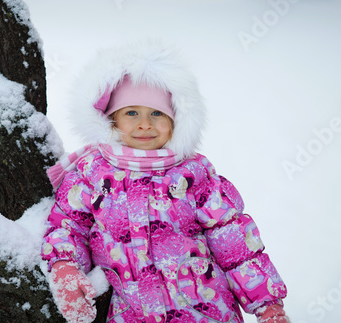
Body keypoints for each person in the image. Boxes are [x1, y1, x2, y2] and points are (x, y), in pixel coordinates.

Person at [41, 40, 289, 323]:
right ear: (111, 120)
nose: (145, 124)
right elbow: (68, 225)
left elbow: (234, 244)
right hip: (134, 313)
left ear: (176, 121)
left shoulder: (193, 174)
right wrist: (64, 266)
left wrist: (268, 306)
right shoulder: (92, 172)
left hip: (205, 310)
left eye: (157, 113)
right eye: (131, 112)